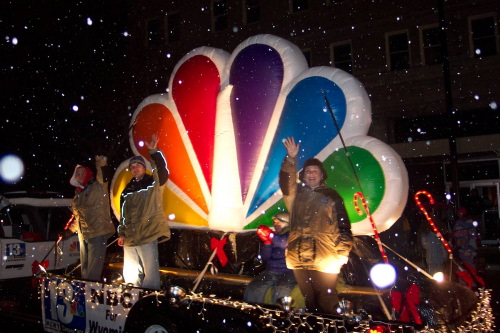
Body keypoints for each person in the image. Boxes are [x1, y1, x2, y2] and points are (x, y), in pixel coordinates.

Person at [279, 137, 353, 314]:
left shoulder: (331, 196)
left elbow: (343, 226)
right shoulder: (296, 195)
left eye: (315, 171)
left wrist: (342, 252)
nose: (311, 174)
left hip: (325, 257)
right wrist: (290, 159)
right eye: (308, 171)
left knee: (327, 300)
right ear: (303, 175)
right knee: (309, 300)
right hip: (299, 257)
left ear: (321, 175)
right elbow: (286, 182)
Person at [117, 133, 171, 289]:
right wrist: (121, 233)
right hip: (130, 237)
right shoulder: (127, 190)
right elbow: (123, 215)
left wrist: (154, 152)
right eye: (132, 167)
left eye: (138, 166)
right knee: (130, 273)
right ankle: (132, 297)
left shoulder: (153, 183)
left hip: (148, 233)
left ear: (144, 167)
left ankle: (150, 300)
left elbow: (162, 171)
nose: (135, 169)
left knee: (151, 274)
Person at [62, 155, 115, 281]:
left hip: (98, 231)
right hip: (84, 234)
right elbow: (79, 217)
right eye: (77, 174)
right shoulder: (78, 196)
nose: (80, 175)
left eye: (82, 173)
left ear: (88, 174)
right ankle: (85, 289)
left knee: (93, 269)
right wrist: (70, 230)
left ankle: (90, 290)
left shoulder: (98, 186)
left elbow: (103, 173)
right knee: (84, 267)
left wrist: (100, 159)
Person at [243, 212, 296, 305]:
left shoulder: (293, 234)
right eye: (274, 222)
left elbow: (284, 243)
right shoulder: (274, 236)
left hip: (289, 271)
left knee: (281, 290)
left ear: (286, 223)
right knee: (254, 287)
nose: (275, 225)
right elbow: (265, 257)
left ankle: (279, 315)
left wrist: (270, 236)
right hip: (271, 270)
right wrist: (267, 243)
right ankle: (255, 311)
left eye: (278, 222)